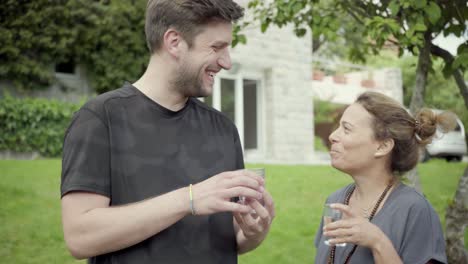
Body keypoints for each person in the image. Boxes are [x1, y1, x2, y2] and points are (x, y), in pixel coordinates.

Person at [60, 1, 275, 263]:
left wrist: (252, 232)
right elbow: (80, 238)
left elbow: (229, 236)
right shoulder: (100, 119)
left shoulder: (224, 129)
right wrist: (190, 199)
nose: (226, 62)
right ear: (174, 42)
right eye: (216, 47)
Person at [314, 91, 452, 264]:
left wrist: (378, 242)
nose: (332, 136)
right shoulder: (335, 202)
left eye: (346, 129)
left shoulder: (416, 211)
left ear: (383, 146)